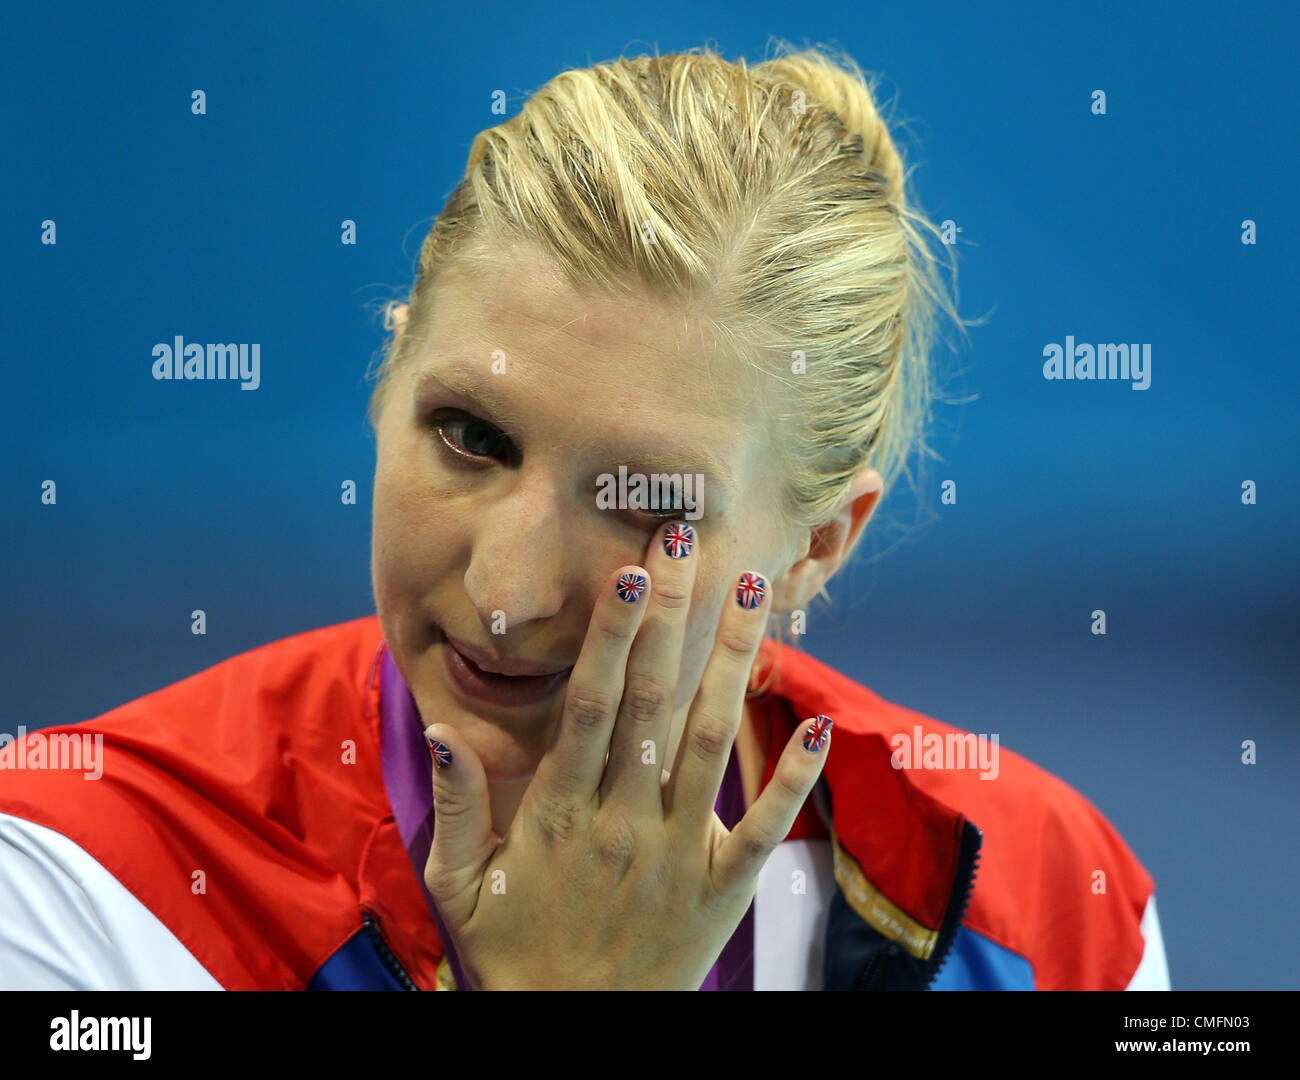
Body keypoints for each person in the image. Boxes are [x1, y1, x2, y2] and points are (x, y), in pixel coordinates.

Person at [0, 43, 1168, 990]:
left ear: (818, 545)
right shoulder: (80, 879)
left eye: (643, 500)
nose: (506, 595)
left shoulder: (1054, 916)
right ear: (386, 378)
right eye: (468, 435)